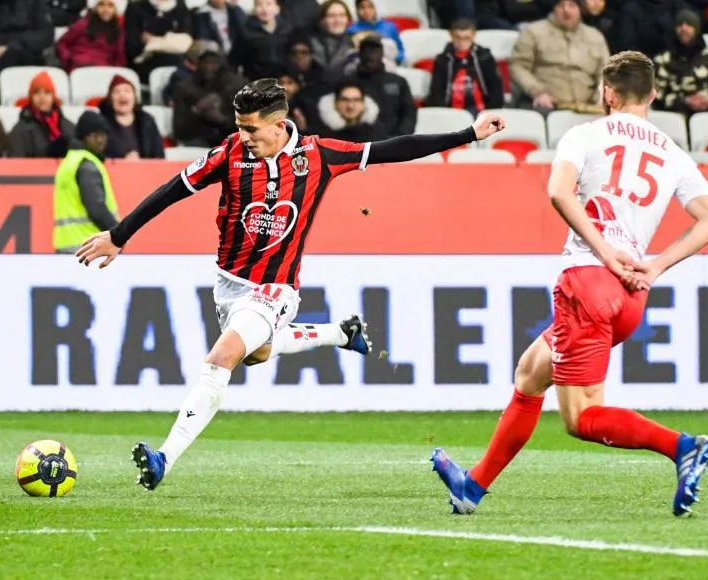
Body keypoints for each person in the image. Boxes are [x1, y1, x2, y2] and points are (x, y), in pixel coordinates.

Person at [75, 78, 506, 491]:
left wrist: (468, 133)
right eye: (239, 127)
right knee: (257, 353)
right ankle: (340, 333)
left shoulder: (320, 156)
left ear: (279, 124)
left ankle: (163, 457)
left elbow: (396, 149)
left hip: (276, 288)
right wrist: (119, 235)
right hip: (227, 283)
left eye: (251, 128)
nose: (243, 136)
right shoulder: (228, 154)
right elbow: (173, 190)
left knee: (223, 356)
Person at [430, 51, 708, 518]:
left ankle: (683, 446)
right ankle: (473, 487)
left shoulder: (586, 135)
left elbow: (558, 192)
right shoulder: (672, 152)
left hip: (588, 281)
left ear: (607, 93)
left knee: (582, 417)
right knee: (530, 373)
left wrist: (605, 253)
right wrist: (655, 266)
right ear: (651, 94)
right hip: (630, 294)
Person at [53, 111, 120, 253]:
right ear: (84, 137)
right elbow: (96, 209)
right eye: (94, 135)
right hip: (89, 246)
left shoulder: (68, 162)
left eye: (103, 135)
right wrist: (119, 234)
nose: (100, 140)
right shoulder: (87, 164)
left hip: (66, 245)